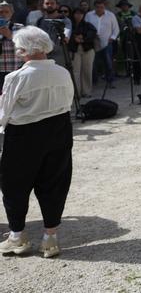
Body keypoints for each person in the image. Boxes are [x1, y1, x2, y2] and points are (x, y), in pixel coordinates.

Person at [0, 26, 75, 258]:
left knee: (14, 186)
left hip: (24, 135)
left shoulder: (17, 77)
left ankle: (17, 237)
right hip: (60, 129)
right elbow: (68, 101)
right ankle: (50, 238)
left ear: (23, 50)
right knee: (54, 182)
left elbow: (3, 114)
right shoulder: (63, 72)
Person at [85, 0, 119, 88]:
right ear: (94, 7)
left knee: (108, 63)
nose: (99, 9)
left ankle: (110, 81)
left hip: (107, 42)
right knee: (93, 63)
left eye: (101, 7)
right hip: (93, 42)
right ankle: (94, 81)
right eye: (98, 7)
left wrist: (112, 38)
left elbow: (116, 28)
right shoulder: (89, 15)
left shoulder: (110, 15)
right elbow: (85, 27)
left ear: (104, 7)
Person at [35, 0, 72, 68]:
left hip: (59, 54)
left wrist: (65, 37)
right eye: (47, 3)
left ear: (57, 5)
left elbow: (67, 32)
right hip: (44, 53)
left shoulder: (64, 20)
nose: (50, 5)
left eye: (52, 3)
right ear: (43, 5)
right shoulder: (40, 21)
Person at [68, 8, 97, 97]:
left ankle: (86, 91)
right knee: (75, 71)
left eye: (80, 13)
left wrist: (82, 38)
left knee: (87, 71)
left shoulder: (88, 25)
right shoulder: (70, 25)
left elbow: (92, 34)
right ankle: (76, 93)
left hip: (87, 49)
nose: (78, 15)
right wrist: (75, 38)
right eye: (76, 13)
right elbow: (68, 35)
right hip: (74, 50)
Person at [0, 0, 24, 91]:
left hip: (14, 69)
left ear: (12, 13)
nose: (3, 14)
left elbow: (24, 45)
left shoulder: (19, 27)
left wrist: (10, 35)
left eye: (6, 12)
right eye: (1, 12)